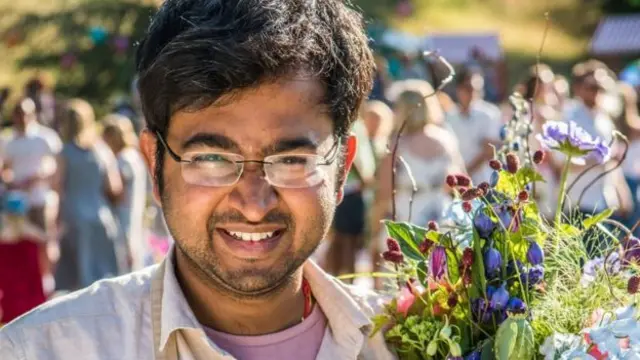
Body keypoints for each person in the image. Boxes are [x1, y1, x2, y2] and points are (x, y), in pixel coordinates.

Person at [0, 1, 394, 359]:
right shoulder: (42, 350)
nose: (254, 204)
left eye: (291, 159)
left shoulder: (410, 343)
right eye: (211, 159)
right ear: (155, 164)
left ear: (342, 168)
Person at [369, 82, 466, 289]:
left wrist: (375, 225)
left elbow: (385, 191)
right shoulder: (445, 138)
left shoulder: (397, 142)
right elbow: (460, 180)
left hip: (405, 212)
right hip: (440, 213)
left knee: (398, 282)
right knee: (438, 279)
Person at [52, 99, 125, 291]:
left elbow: (57, 187)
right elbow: (114, 188)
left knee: (78, 285)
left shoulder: (64, 153)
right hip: (101, 217)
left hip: (74, 219)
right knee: (104, 281)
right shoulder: (101, 151)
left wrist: (56, 220)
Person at [2, 97, 62, 236]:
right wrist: (11, 181)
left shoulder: (46, 137)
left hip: (40, 198)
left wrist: (39, 177)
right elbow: (5, 167)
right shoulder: (8, 140)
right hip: (16, 202)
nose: (22, 118)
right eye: (18, 114)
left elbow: (58, 166)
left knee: (43, 240)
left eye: (25, 114)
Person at [102, 114, 148, 271]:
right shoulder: (134, 155)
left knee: (125, 250)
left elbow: (117, 190)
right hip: (135, 207)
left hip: (124, 209)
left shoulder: (122, 159)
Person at [446, 67, 503, 185]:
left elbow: (489, 150)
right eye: (468, 89)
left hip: (483, 182)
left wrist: (465, 174)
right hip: (456, 181)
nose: (473, 94)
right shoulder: (448, 116)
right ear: (458, 89)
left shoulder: (490, 114)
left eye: (477, 90)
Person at [0, 192, 49, 325]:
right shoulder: (36, 241)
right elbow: (45, 270)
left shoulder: (3, 244)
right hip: (35, 306)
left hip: (9, 307)